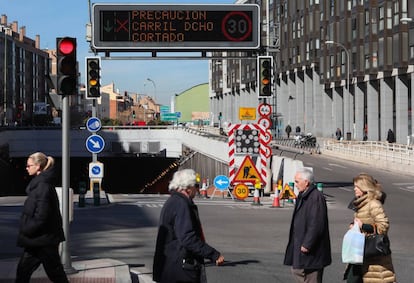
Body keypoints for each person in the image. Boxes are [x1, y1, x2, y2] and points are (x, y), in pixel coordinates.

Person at [153, 169, 225, 283]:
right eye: (195, 186)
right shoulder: (181, 204)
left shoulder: (172, 202)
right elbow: (187, 238)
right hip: (181, 269)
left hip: (170, 265)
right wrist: (213, 254)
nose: (197, 189)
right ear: (187, 187)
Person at [15, 152, 69, 283]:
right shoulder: (39, 185)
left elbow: (42, 216)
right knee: (23, 271)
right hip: (38, 240)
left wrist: (27, 229)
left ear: (38, 166)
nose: (26, 168)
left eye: (29, 165)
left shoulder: (43, 186)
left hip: (43, 240)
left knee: (55, 274)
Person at [343, 173, 396, 283]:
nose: (354, 189)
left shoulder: (374, 204)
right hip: (359, 251)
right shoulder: (361, 203)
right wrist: (354, 225)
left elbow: (383, 226)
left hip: (372, 254)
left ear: (364, 188)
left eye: (357, 187)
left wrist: (364, 226)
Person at [284, 167, 332, 283]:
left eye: (297, 181)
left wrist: (307, 244)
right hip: (301, 245)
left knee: (311, 276)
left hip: (312, 249)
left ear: (306, 182)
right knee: (297, 270)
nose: (295, 184)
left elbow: (316, 223)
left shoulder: (315, 197)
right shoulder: (304, 195)